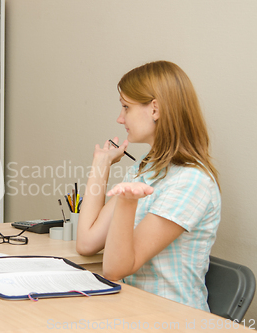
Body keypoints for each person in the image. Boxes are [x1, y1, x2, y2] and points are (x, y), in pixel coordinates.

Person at [76, 61, 221, 311]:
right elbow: (87, 243)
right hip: (134, 309)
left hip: (174, 319)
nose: (120, 119)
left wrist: (126, 202)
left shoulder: (190, 181)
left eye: (126, 107)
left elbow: (116, 268)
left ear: (155, 109)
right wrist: (100, 165)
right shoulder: (148, 167)